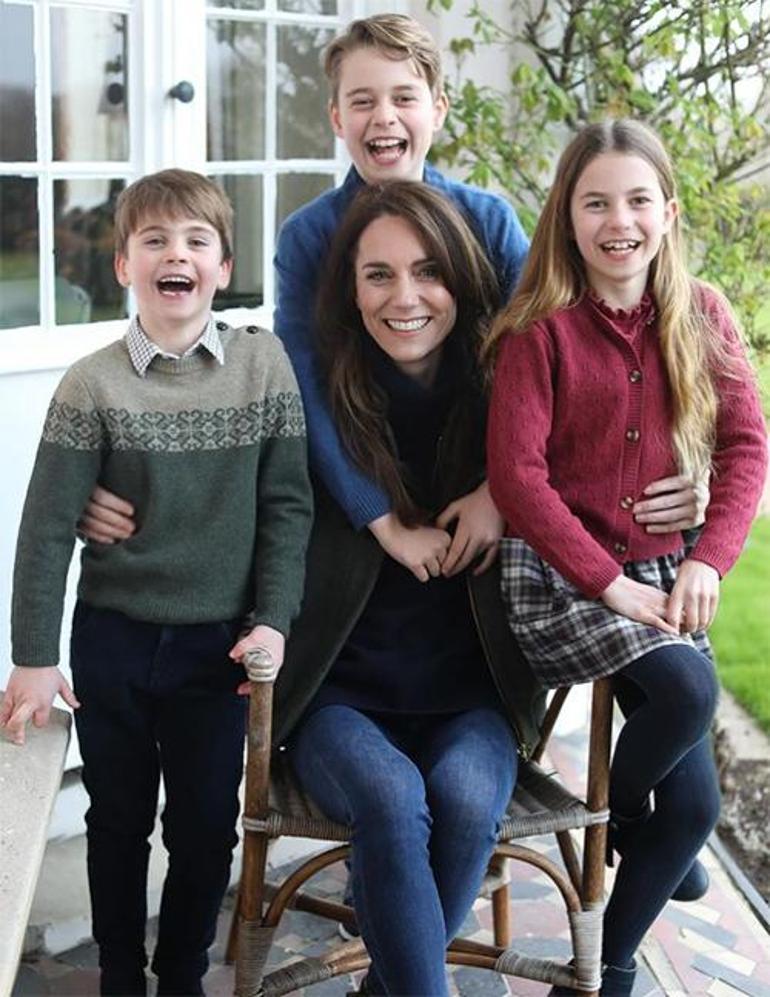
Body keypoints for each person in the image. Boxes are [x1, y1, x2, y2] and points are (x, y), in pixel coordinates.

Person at [78, 13, 708, 573]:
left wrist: (499, 494)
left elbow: (560, 366)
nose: (383, 116)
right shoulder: (308, 238)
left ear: (438, 109)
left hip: (480, 483)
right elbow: (300, 389)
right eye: (362, 101)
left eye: (404, 97)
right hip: (360, 489)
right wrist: (380, 519)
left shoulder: (488, 221)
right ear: (337, 118)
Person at [1, 169, 313, 997]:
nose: (177, 254)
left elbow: (287, 507)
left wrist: (273, 618)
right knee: (116, 819)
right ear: (123, 266)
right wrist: (33, 656)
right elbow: (45, 527)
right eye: (155, 240)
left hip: (221, 649)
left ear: (223, 266)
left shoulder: (263, 366)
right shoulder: (91, 383)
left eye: (196, 241)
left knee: (205, 825)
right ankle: (119, 972)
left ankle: (180, 974)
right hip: (115, 639)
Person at [485, 119, 768, 996]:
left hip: (656, 573)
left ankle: (605, 970)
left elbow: (747, 446)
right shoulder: (539, 331)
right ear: (567, 218)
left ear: (669, 212)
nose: (620, 221)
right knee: (687, 687)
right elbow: (517, 478)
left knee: (699, 807)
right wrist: (605, 581)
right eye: (596, 203)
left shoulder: (703, 313)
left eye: (639, 200)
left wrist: (707, 560)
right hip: (558, 575)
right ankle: (627, 815)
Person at [271, 179, 530, 997]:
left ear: (462, 280)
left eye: (428, 272)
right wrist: (112, 499)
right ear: (350, 292)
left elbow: (614, 452)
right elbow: (218, 483)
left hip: (471, 697)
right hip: (342, 697)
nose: (405, 297)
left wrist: (695, 492)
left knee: (463, 799)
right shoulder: (315, 409)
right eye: (378, 275)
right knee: (390, 796)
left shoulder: (508, 407)